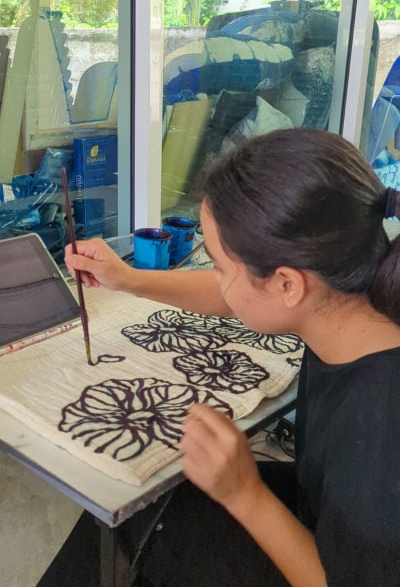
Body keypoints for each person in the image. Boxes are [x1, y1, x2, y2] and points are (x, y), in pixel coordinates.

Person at [65, 128, 400, 587]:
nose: (216, 276)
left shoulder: (381, 431)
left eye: (220, 264)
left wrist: (246, 494)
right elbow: (235, 295)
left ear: (287, 283)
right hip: (325, 512)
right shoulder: (359, 294)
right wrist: (129, 279)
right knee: (131, 511)